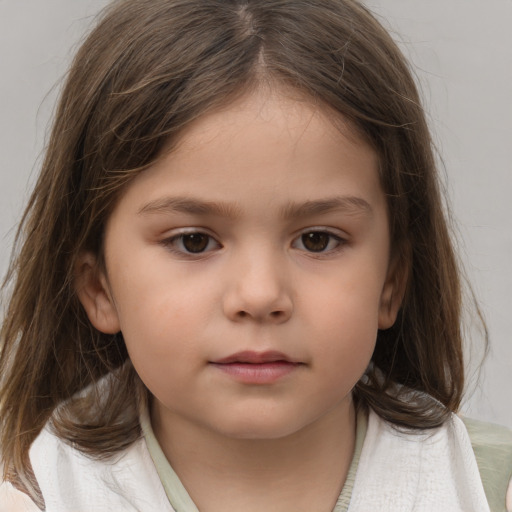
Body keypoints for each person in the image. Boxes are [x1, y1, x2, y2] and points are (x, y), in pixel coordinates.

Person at [0, 0, 511, 510]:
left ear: (392, 280)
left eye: (317, 240)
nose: (261, 294)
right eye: (194, 241)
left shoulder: (487, 491)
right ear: (98, 286)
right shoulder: (39, 497)